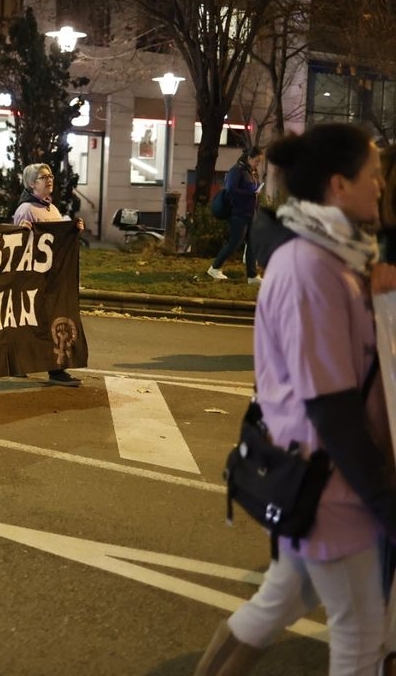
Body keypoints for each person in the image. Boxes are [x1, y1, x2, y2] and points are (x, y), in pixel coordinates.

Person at [193, 124, 396, 675]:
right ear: (339, 185)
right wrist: (384, 499)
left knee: (278, 602)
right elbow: (331, 405)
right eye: (372, 175)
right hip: (330, 485)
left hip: (323, 478)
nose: (380, 185)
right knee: (360, 639)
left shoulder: (337, 257)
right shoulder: (312, 269)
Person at [11, 163, 85, 388]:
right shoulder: (26, 209)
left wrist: (74, 229)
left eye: (50, 175)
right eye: (43, 177)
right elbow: (18, 244)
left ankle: (25, 363)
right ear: (32, 184)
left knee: (44, 322)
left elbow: (59, 241)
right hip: (37, 278)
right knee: (41, 322)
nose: (49, 179)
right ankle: (53, 369)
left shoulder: (51, 209)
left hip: (52, 278)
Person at [208, 146, 265, 284]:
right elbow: (231, 189)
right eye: (256, 161)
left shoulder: (252, 172)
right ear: (249, 158)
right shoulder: (236, 170)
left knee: (252, 243)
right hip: (238, 213)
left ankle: (252, 276)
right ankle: (214, 268)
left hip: (250, 213)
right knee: (235, 242)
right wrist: (250, 194)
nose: (258, 164)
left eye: (259, 162)